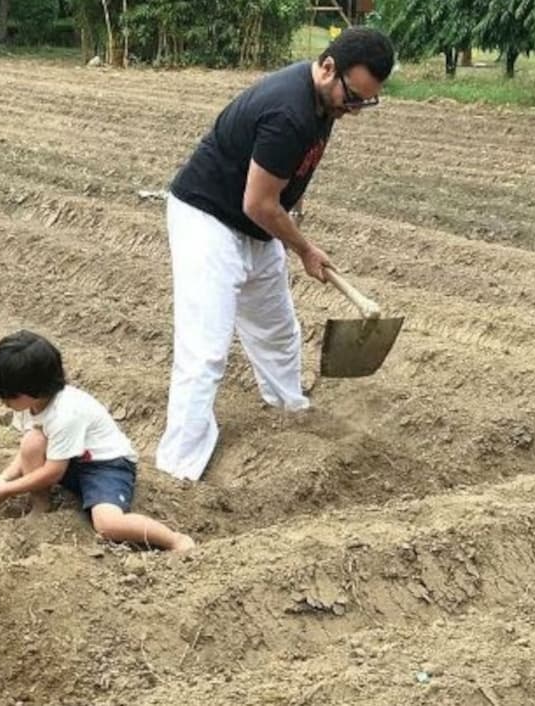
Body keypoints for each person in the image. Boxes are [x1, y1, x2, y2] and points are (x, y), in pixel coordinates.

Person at [156, 27, 396, 481]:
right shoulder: (290, 111)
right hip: (208, 219)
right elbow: (259, 202)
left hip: (254, 226)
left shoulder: (325, 102)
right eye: (355, 97)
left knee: (277, 329)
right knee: (205, 350)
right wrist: (304, 249)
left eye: (367, 101)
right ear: (328, 68)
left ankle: (289, 413)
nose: (357, 109)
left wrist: (293, 224)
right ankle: (176, 471)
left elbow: (282, 187)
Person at [0, 329, 195, 553]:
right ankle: (41, 504)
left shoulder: (66, 414)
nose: (5, 403)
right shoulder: (28, 405)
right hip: (72, 458)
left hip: (105, 466)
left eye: (9, 396)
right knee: (32, 442)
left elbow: (53, 472)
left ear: (33, 389)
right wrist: (1, 479)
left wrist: (9, 489)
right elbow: (27, 452)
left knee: (108, 525)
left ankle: (175, 540)